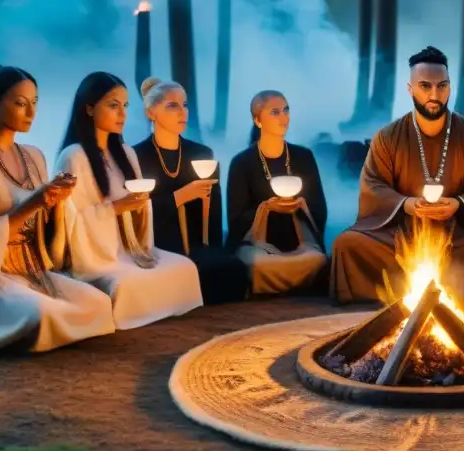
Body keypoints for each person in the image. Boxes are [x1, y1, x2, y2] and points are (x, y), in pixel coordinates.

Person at [330, 46, 464, 304]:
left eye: (442, 86)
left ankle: (457, 293)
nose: (434, 94)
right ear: (410, 89)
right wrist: (408, 204)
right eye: (425, 86)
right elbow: (373, 184)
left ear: (449, 87)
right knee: (347, 245)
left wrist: (458, 204)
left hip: (461, 234)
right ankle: (408, 294)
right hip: (402, 234)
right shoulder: (388, 137)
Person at [0, 64, 115, 352]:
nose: (31, 113)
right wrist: (35, 202)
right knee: (43, 315)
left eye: (34, 103)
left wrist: (57, 203)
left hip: (32, 267)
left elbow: (44, 224)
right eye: (21, 103)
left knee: (99, 304)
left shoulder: (34, 156)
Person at [56, 72, 203, 329]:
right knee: (125, 285)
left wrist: (139, 205)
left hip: (130, 249)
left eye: (125, 106)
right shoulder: (74, 156)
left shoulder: (126, 153)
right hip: (97, 256)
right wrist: (115, 208)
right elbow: (71, 222)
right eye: (113, 106)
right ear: (89, 108)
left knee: (185, 268)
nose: (122, 114)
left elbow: (140, 206)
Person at [133, 78, 250, 304]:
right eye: (172, 105)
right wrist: (180, 197)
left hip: (197, 243)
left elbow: (213, 211)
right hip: (155, 241)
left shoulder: (201, 153)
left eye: (185, 105)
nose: (182, 112)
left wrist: (215, 249)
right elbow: (135, 210)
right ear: (150, 112)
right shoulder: (136, 156)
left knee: (230, 269)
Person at [225, 89, 328, 295]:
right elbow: (235, 219)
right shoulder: (242, 162)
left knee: (316, 260)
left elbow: (319, 209)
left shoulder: (303, 157)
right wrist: (266, 207)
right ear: (258, 120)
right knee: (257, 265)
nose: (283, 118)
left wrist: (300, 205)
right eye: (275, 112)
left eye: (286, 110)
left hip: (298, 241)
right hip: (258, 244)